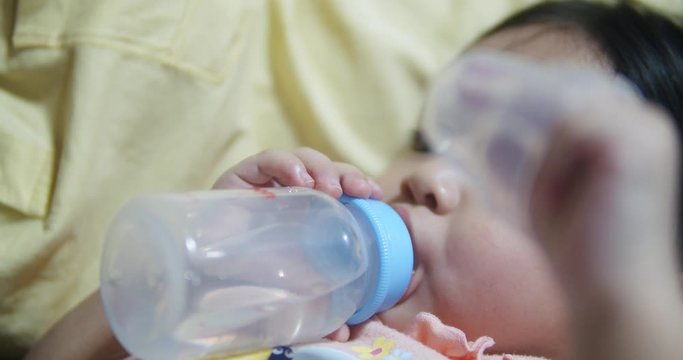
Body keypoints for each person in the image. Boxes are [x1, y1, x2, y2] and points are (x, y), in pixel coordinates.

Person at [25, 1, 683, 359]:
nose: (429, 177)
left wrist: (625, 302)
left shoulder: (627, 332)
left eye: (514, 176)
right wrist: (187, 275)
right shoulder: (278, 306)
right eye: (429, 141)